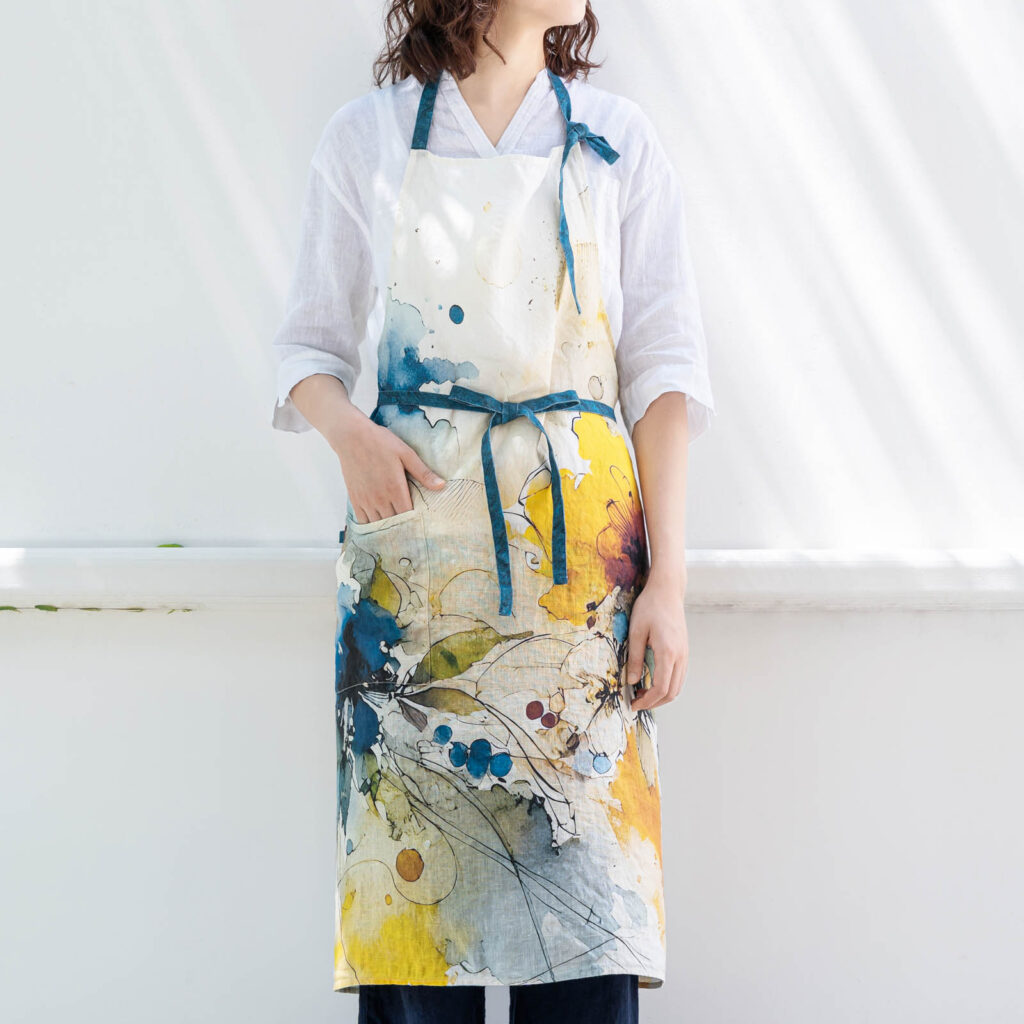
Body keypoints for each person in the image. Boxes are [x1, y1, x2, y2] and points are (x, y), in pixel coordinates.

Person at [270, 2, 715, 1021]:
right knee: (416, 932)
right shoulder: (370, 137)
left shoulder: (617, 140)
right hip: (417, 585)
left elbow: (662, 374)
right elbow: (306, 350)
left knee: (588, 932)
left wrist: (671, 582)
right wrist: (350, 436)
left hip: (580, 599)